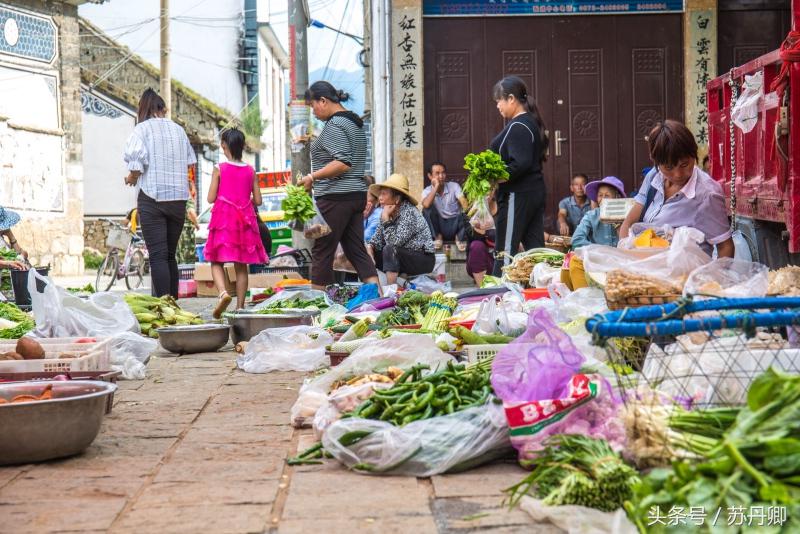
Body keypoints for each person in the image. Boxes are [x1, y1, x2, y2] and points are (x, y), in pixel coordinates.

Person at [299, 81, 380, 290]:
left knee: (322, 251)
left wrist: (312, 177)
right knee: (356, 251)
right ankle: (379, 297)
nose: (313, 112)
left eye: (313, 106)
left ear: (323, 101)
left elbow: (343, 162)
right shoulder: (354, 123)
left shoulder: (335, 125)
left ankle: (318, 307)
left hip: (336, 197)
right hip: (355, 195)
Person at [620, 120, 734, 258]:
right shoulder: (654, 177)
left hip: (686, 274)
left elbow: (725, 247)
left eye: (684, 164)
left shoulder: (707, 194)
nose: (678, 174)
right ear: (656, 162)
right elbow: (628, 223)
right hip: (648, 271)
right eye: (668, 167)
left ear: (694, 154)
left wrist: (716, 277)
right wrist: (625, 256)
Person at [123, 88, 197, 298]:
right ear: (163, 109)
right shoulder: (179, 130)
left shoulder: (141, 130)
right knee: (170, 256)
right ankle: (172, 303)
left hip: (152, 198)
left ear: (144, 109)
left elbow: (137, 166)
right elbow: (190, 163)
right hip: (178, 200)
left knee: (157, 256)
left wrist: (131, 179)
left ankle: (164, 307)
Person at [489, 76, 549, 277]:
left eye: (499, 100)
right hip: (532, 192)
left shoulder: (519, 126)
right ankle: (542, 291)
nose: (498, 105)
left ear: (511, 99)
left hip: (518, 194)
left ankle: (498, 295)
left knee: (505, 251)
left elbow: (519, 163)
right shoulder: (528, 123)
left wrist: (493, 178)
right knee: (535, 251)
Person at [204, 128, 268, 318]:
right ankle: (240, 307)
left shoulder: (219, 168)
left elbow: (210, 198)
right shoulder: (250, 170)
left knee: (216, 261)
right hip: (244, 221)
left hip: (223, 218)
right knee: (241, 265)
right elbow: (258, 200)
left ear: (224, 146)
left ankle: (223, 293)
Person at [368, 174, 435, 285]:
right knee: (366, 251)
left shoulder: (409, 212)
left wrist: (386, 220)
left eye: (384, 194)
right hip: (402, 256)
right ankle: (375, 288)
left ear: (397, 198)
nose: (380, 198)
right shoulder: (386, 212)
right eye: (380, 194)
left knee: (389, 249)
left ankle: (391, 292)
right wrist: (370, 247)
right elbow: (376, 240)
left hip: (422, 259)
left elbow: (394, 243)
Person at [563, 177, 625, 290]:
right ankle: (583, 300)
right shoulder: (592, 216)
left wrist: (619, 226)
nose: (603, 199)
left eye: (607, 195)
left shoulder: (627, 216)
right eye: (600, 195)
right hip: (596, 261)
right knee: (572, 262)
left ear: (617, 197)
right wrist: (599, 251)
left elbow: (629, 244)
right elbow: (576, 239)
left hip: (620, 264)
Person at [421, 162, 469, 251]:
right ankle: (437, 237)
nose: (441, 176)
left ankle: (459, 237)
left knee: (467, 211)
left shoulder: (454, 186)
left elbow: (464, 204)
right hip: (439, 226)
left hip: (455, 224)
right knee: (426, 210)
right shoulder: (427, 191)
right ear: (430, 176)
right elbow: (426, 204)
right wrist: (435, 187)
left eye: (443, 173)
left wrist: (465, 204)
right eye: (437, 173)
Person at [466, 193, 498, 287]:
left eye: (489, 189)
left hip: (502, 259)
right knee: (476, 246)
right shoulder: (471, 212)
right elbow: (472, 236)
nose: (487, 193)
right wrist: (478, 225)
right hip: (481, 262)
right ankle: (482, 288)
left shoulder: (504, 207)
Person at [176, 180, 199, 264]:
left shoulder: (179, 198)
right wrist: (196, 224)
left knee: (179, 256)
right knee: (187, 258)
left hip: (178, 230)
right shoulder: (188, 198)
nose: (195, 190)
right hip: (187, 232)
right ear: (190, 188)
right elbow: (191, 212)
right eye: (194, 187)